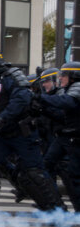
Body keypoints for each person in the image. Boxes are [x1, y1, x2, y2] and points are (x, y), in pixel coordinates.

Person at [0, 49, 65, 217]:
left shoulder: (12, 76)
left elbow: (21, 99)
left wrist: (3, 118)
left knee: (33, 171)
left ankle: (55, 208)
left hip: (21, 132)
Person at [36, 61, 80, 211]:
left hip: (74, 137)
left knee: (74, 175)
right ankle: (54, 204)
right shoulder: (69, 88)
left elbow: (66, 104)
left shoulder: (76, 88)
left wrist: (40, 99)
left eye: (64, 75)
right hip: (64, 137)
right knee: (46, 165)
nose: (60, 78)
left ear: (74, 76)